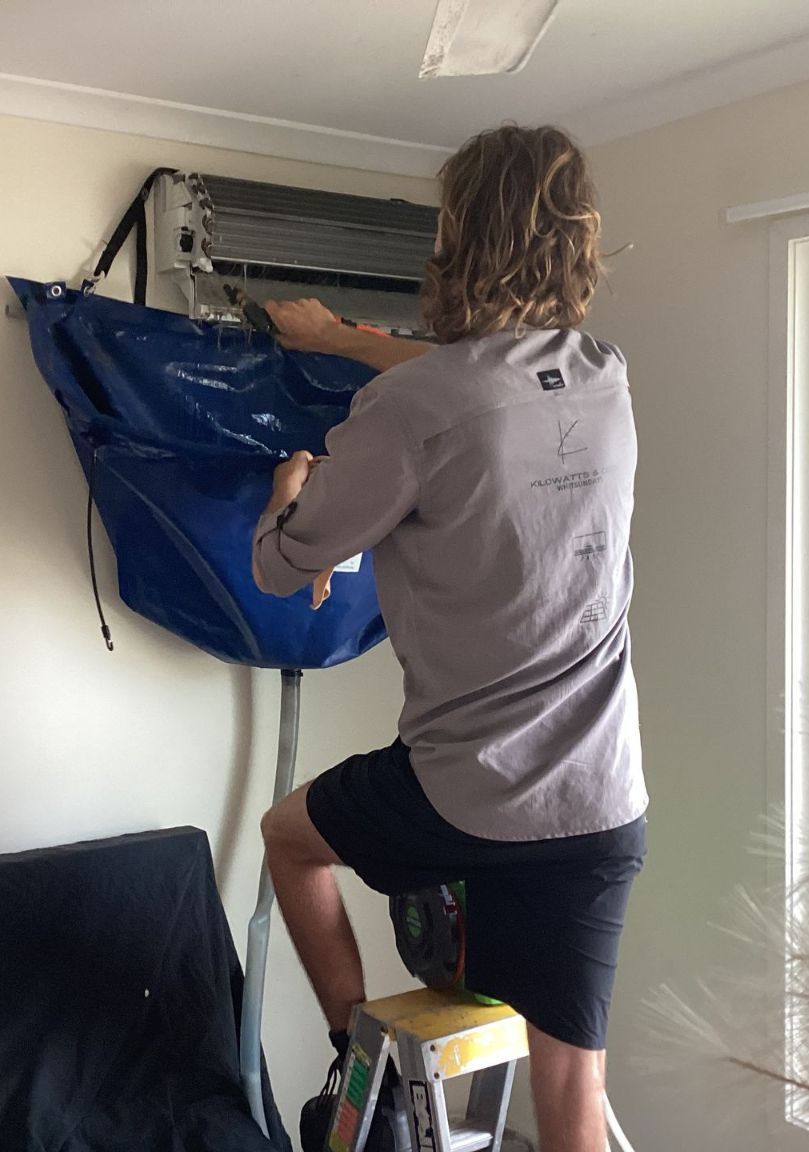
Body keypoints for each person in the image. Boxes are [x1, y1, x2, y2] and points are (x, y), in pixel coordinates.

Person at [252, 125, 647, 1152]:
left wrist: (292, 495)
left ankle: (354, 1058)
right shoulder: (601, 375)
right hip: (602, 801)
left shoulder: (407, 408)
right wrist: (338, 338)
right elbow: (485, 385)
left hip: (469, 793)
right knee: (573, 1087)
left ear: (456, 241)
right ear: (576, 242)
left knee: (288, 841)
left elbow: (281, 569)